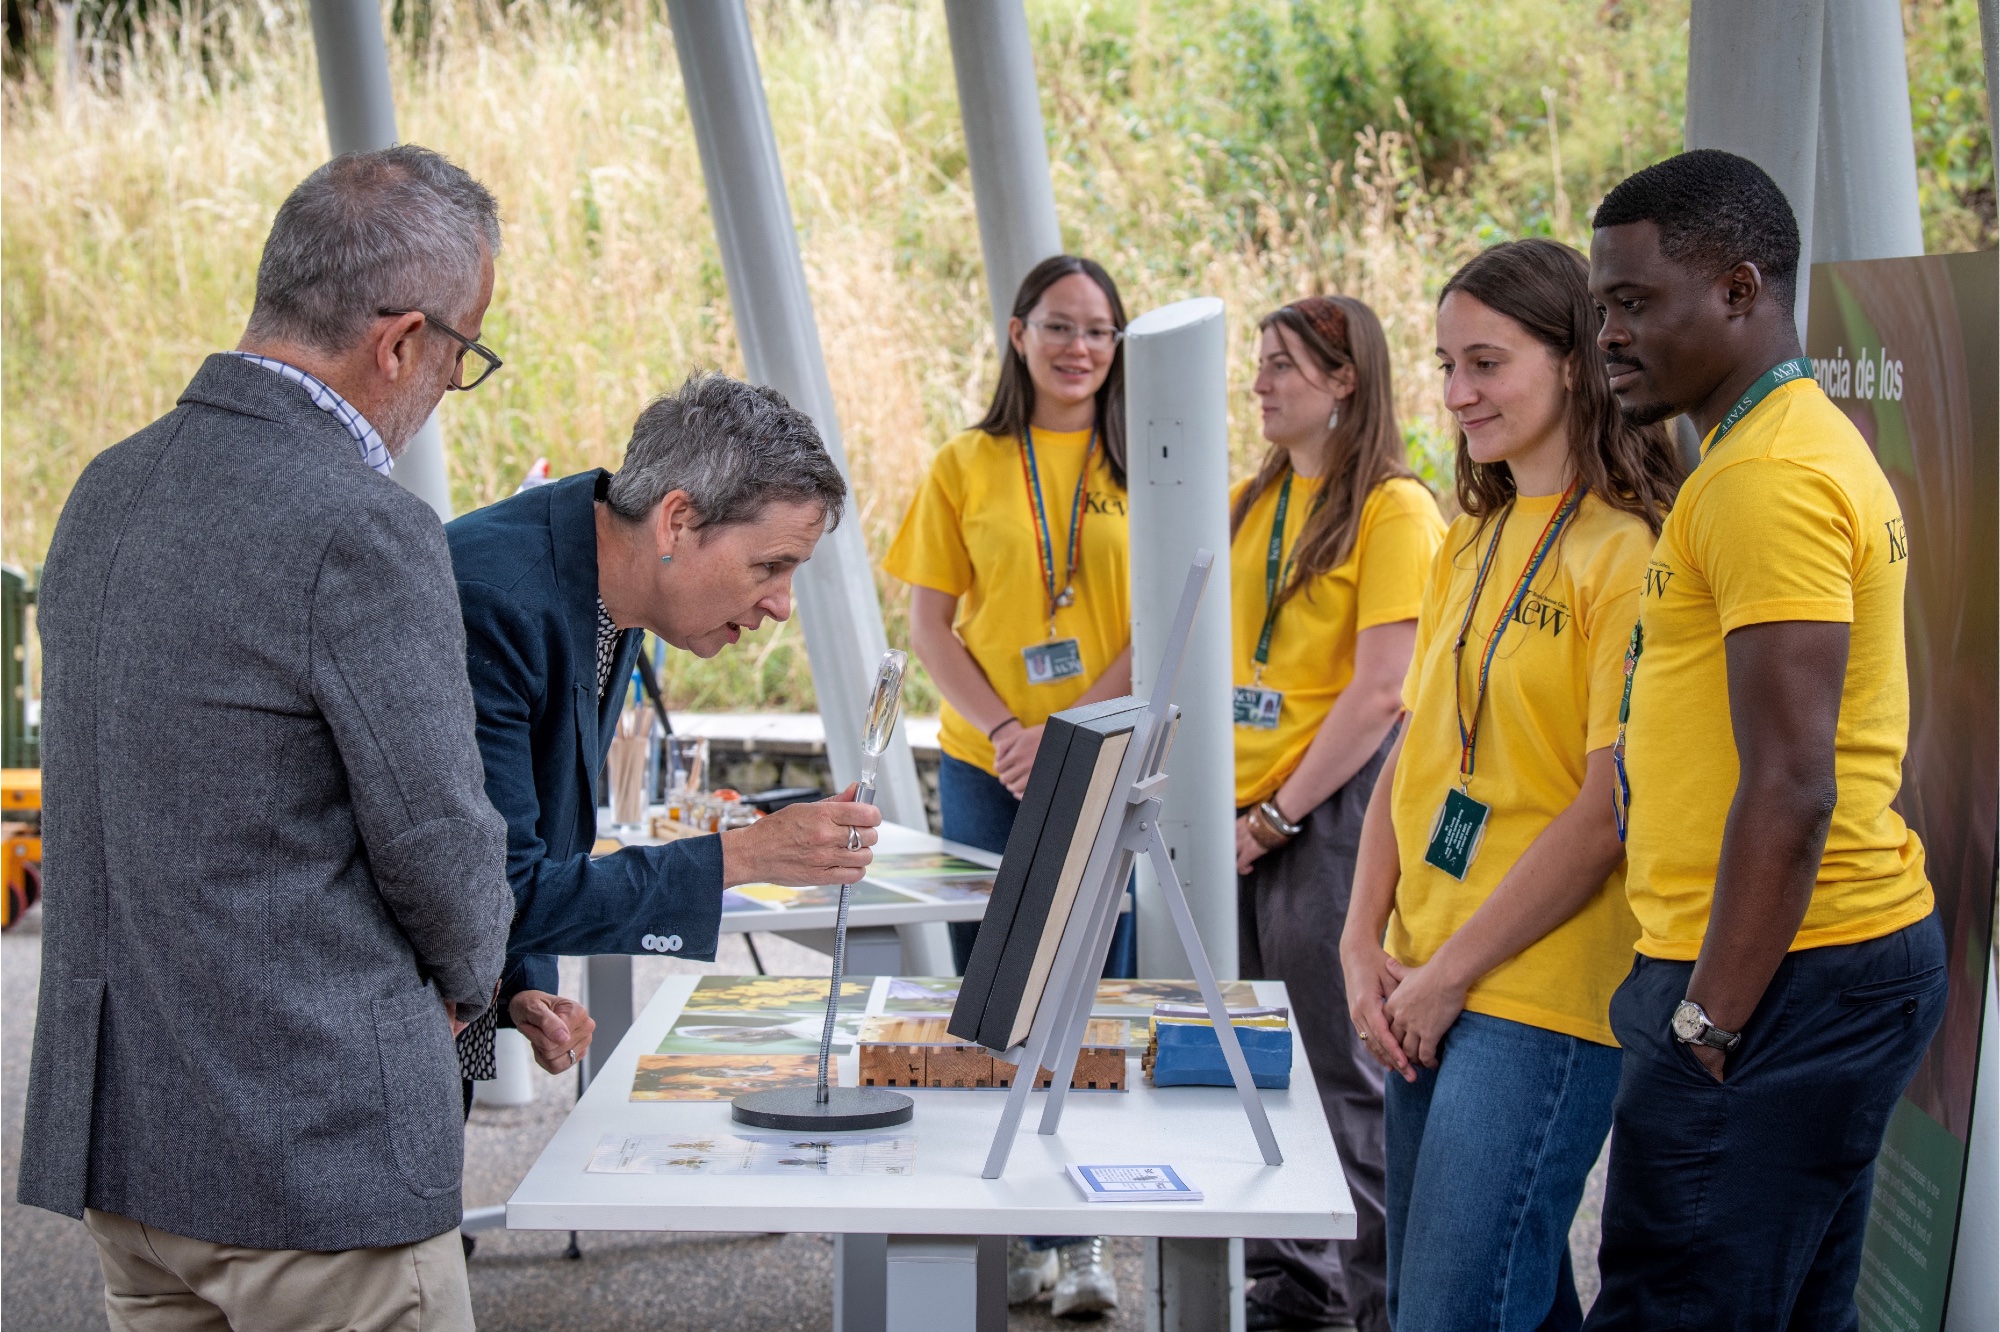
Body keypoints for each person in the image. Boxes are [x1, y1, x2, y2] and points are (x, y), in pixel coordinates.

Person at [17, 146, 514, 1331]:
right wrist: (472, 982)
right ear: (401, 342)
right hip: (311, 1158)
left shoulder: (105, 488)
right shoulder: (360, 525)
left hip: (129, 1156)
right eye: (462, 353)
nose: (450, 382)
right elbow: (437, 840)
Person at [1582, 149, 1944, 1329]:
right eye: (1599, 307)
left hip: (1776, 974)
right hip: (1796, 966)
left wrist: (1706, 1023)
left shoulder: (1767, 477)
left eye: (1632, 302)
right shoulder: (1762, 450)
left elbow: (1792, 785)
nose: (1606, 336)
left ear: (1737, 290)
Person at [1339, 239, 1682, 1331]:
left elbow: (1607, 812)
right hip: (1423, 971)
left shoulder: (1629, 554)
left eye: (1485, 363)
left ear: (1574, 361)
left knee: (1449, 1311)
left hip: (1537, 988)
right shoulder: (1470, 536)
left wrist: (1447, 977)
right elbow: (1415, 754)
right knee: (1487, 1300)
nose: (1455, 394)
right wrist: (1360, 940)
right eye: (1446, 365)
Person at [447, 371, 883, 1083]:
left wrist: (519, 983)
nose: (781, 605)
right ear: (676, 521)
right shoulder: (498, 601)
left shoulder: (610, 579)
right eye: (770, 566)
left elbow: (508, 835)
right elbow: (499, 891)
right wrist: (743, 856)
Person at [884, 254, 1133, 1318]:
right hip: (989, 761)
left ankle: (1080, 1234)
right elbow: (929, 626)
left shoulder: (1146, 462)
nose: (1080, 348)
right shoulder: (965, 464)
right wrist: (1004, 730)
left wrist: (1067, 733)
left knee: (1086, 991)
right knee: (995, 996)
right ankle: (1019, 1230)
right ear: (1019, 333)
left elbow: (1164, 622)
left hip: (1100, 751)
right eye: (1060, 326)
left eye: (1099, 330)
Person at [1230, 296, 1445, 1332]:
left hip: (1324, 814)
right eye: (1259, 362)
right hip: (1237, 815)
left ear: (1345, 379)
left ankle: (1377, 1305)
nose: (1260, 382)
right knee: (1248, 1062)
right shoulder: (1251, 499)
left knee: (1338, 1069)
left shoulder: (1395, 510)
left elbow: (1381, 692)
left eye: (1282, 364)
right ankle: (1290, 1289)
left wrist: (1276, 816)